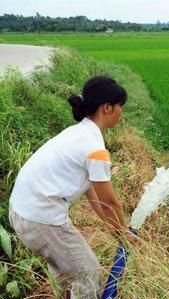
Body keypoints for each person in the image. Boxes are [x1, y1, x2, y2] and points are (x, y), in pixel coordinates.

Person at [8, 76, 139, 298]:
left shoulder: (78, 133)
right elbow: (110, 203)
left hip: (23, 212)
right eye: (120, 106)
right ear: (107, 107)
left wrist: (116, 231)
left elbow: (95, 197)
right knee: (89, 271)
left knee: (68, 275)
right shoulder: (94, 148)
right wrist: (124, 235)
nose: (121, 112)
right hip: (41, 219)